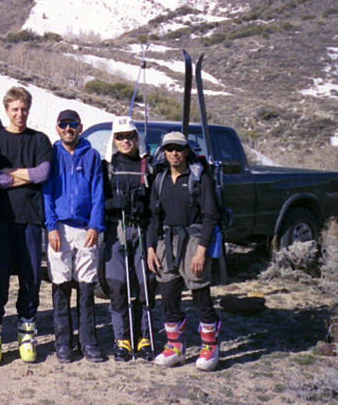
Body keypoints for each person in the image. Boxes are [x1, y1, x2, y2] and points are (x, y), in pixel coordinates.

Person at [0, 86, 53, 365]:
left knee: (31, 279)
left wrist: (10, 174)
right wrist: (26, 176)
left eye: (23, 109)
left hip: (30, 220)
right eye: (14, 109)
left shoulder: (39, 140)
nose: (19, 114)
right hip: (0, 221)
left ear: (28, 110)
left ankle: (27, 334)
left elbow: (43, 173)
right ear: (7, 110)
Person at [146, 131, 221, 371]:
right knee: (168, 297)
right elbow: (153, 217)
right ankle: (175, 347)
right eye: (169, 149)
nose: (174, 153)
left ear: (186, 150)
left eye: (179, 148)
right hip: (166, 243)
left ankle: (210, 347)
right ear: (164, 152)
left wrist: (201, 251)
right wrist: (150, 247)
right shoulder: (160, 179)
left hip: (194, 242)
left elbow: (211, 216)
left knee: (200, 296)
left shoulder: (200, 177)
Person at [43, 109, 106, 364]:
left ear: (80, 127)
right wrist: (51, 226)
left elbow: (98, 194)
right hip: (59, 228)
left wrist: (95, 225)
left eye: (73, 124)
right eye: (63, 124)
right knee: (61, 284)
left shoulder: (92, 156)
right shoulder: (51, 156)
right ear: (57, 128)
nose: (68, 128)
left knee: (86, 284)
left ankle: (88, 341)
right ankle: (63, 342)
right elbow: (46, 193)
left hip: (85, 229)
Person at [102, 117, 156, 362]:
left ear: (137, 137)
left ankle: (144, 337)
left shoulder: (148, 165)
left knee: (145, 284)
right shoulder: (107, 166)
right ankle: (121, 338)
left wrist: (144, 207)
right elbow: (98, 201)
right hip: (117, 230)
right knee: (117, 285)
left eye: (130, 136)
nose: (126, 141)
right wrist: (113, 203)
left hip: (141, 231)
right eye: (120, 136)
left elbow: (157, 203)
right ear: (113, 139)